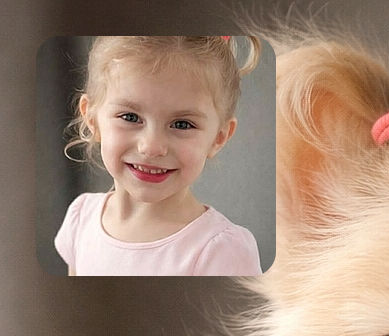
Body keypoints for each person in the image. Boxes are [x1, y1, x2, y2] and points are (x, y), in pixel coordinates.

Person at [56, 35, 263, 276]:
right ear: (92, 120)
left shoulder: (223, 251)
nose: (152, 147)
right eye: (130, 117)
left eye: (182, 124)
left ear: (218, 138)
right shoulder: (80, 218)